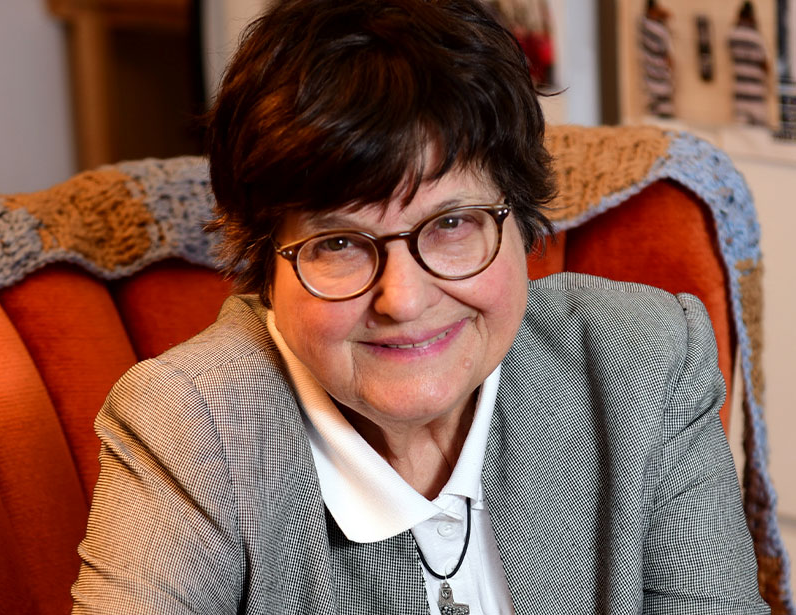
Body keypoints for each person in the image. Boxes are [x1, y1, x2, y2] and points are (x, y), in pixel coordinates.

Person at [71, 1, 768, 613]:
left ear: (520, 222)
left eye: (453, 224)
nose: (402, 299)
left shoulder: (642, 361)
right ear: (265, 262)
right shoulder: (189, 426)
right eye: (339, 241)